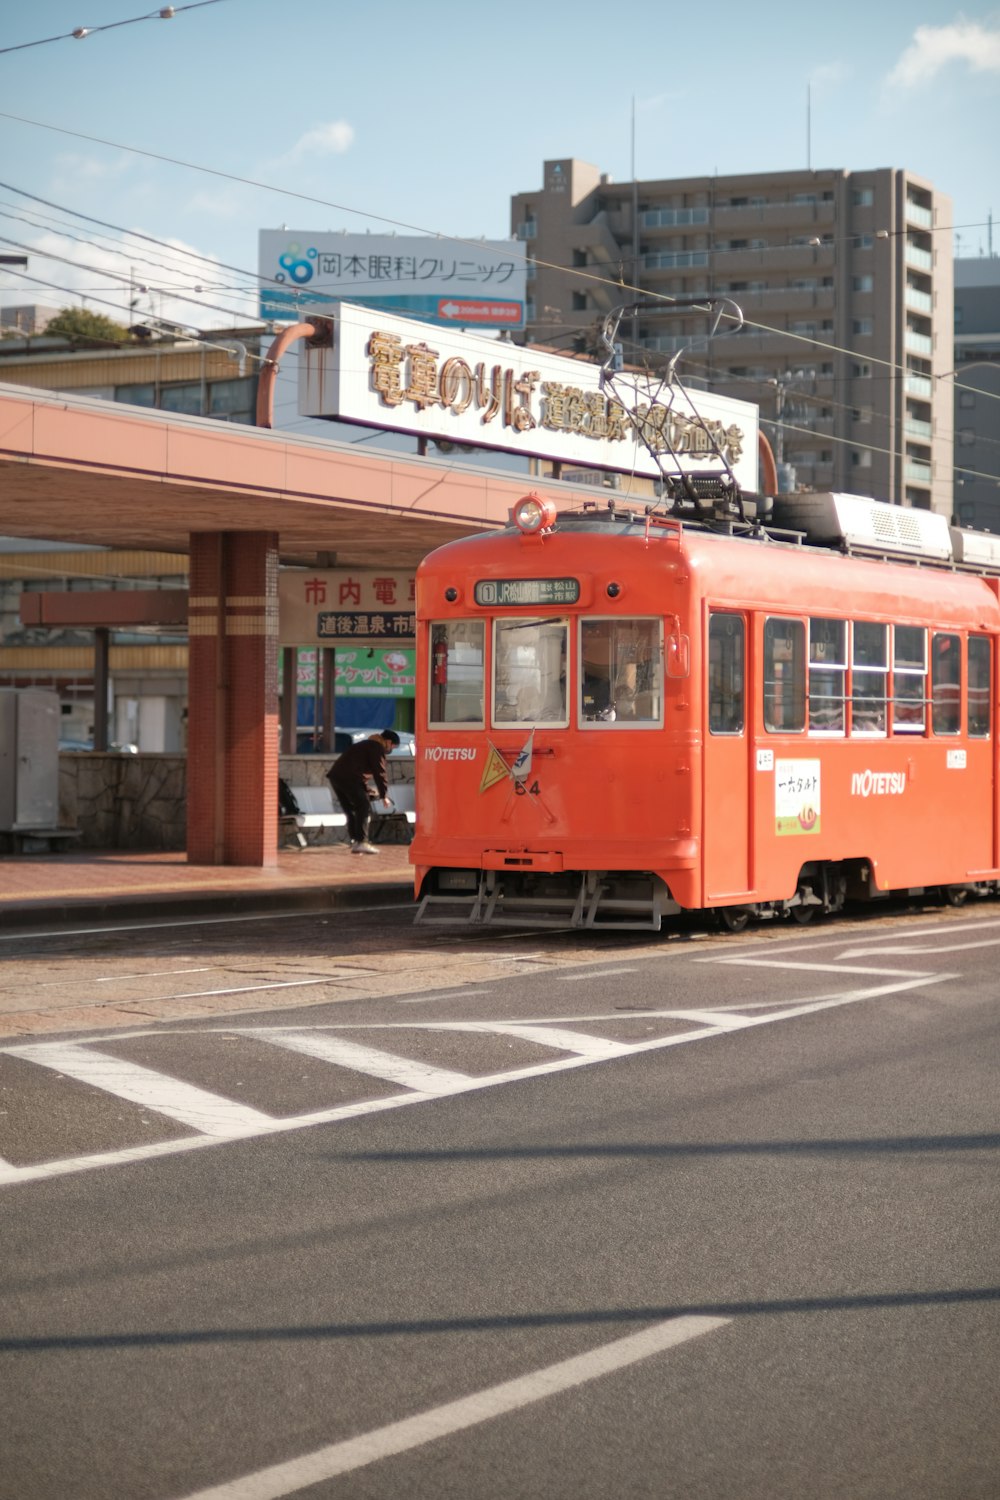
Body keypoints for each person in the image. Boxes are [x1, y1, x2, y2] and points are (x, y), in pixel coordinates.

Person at [326, 730, 400, 855]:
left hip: (336, 777)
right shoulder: (377, 747)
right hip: (348, 778)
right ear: (387, 741)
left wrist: (368, 790)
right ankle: (361, 842)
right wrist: (384, 795)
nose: (392, 749)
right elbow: (380, 772)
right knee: (363, 806)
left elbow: (357, 770)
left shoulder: (366, 744)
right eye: (393, 746)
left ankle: (356, 841)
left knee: (351, 810)